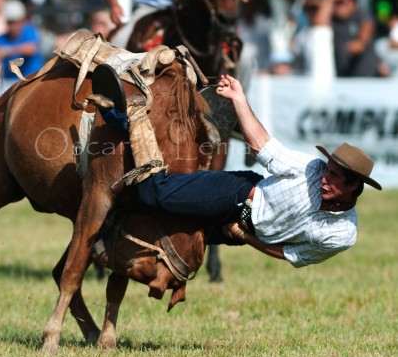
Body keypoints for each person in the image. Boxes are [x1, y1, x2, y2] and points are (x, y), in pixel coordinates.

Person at [134, 74, 381, 268]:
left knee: (171, 240)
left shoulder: (343, 234)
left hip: (244, 229)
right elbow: (264, 147)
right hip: (237, 194)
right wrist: (239, 98)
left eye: (334, 177)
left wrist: (245, 236)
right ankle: (133, 119)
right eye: (328, 171)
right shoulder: (312, 169)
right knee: (155, 194)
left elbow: (291, 254)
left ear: (353, 187)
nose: (324, 179)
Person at [314, 0, 383, 77]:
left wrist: (359, 43)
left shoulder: (361, 15)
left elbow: (366, 31)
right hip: (343, 77)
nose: (338, 6)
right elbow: (319, 27)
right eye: (336, 2)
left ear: (353, 3)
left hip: (367, 78)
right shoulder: (333, 20)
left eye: (341, 2)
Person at [0, 0, 44, 80]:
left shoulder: (30, 31)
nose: (13, 25)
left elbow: (31, 48)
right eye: (10, 22)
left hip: (31, 83)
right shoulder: (2, 38)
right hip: (10, 85)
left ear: (22, 20)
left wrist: (6, 51)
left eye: (16, 21)